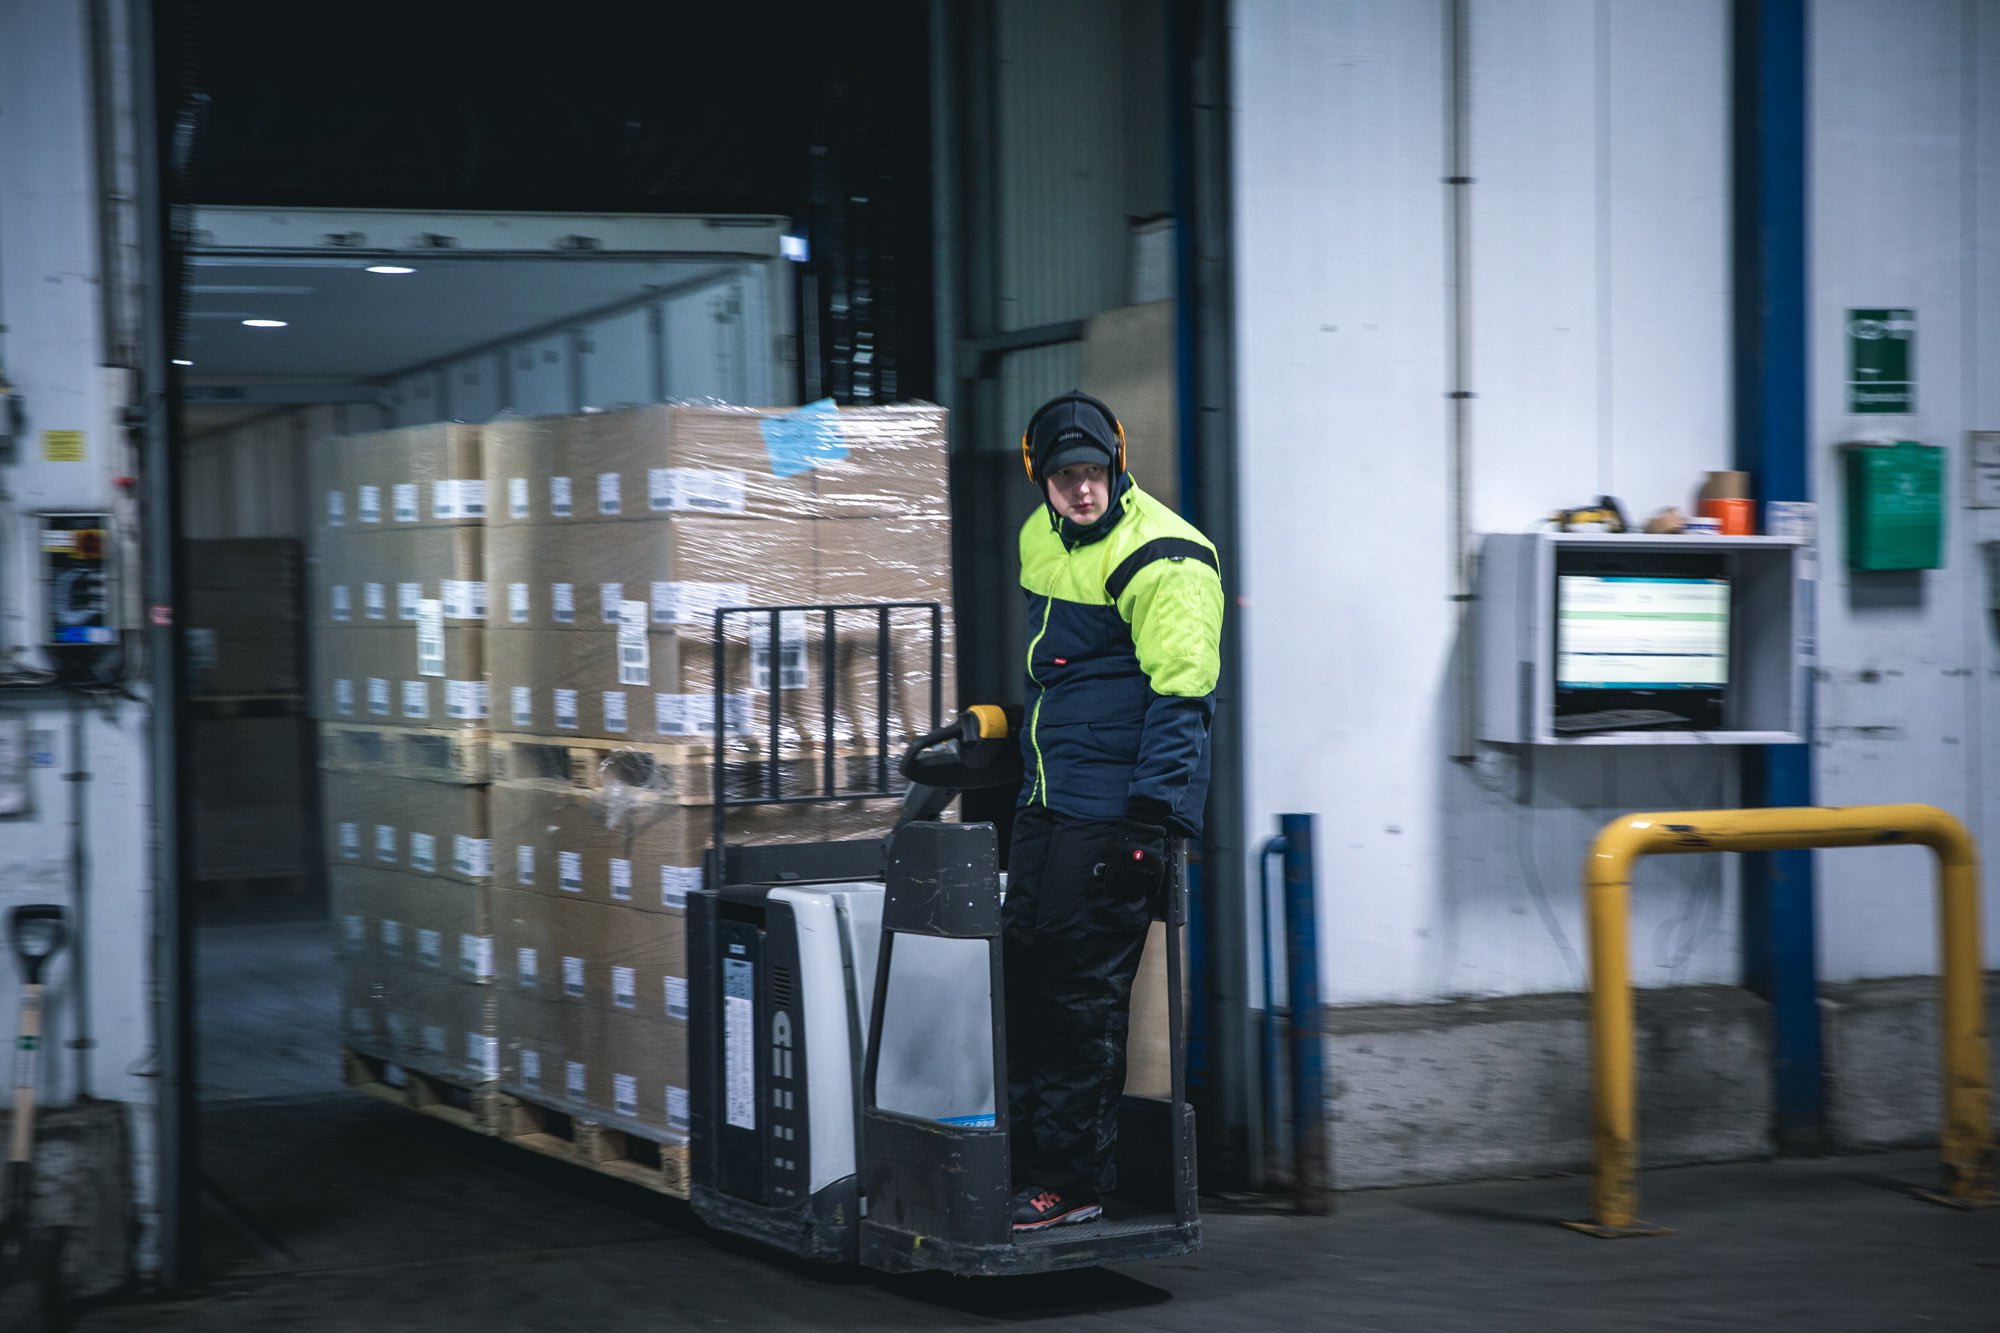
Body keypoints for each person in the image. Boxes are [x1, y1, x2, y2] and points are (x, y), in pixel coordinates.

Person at [1003, 391, 1224, 1231]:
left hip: (1114, 811)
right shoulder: (1038, 535)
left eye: (1094, 472)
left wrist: (1149, 823)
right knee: (1021, 974)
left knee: (1079, 995)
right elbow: (1056, 673)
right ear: (1040, 478)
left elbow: (1184, 698)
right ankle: (1022, 1160)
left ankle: (1071, 1181)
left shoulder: (1166, 555)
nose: (1083, 490)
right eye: (1065, 477)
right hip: (1048, 796)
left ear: (1117, 465)